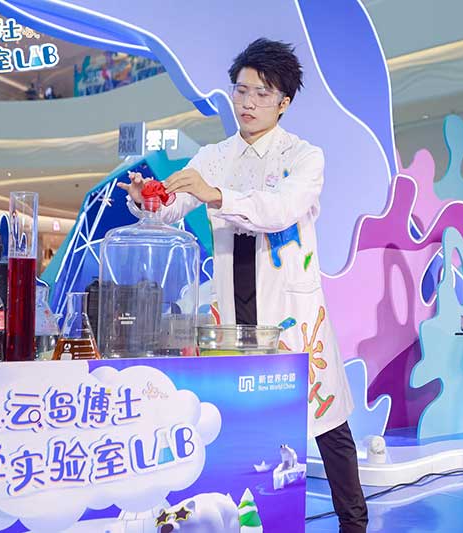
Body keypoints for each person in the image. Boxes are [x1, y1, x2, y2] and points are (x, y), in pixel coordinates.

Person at [120, 38, 367, 532]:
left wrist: (216, 195)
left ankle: (354, 523)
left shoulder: (304, 157)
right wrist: (150, 199)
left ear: (284, 102)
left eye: (261, 93)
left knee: (327, 425)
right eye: (241, 90)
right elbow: (173, 206)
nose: (248, 102)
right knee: (244, 423)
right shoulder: (214, 156)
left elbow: (278, 211)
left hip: (293, 316)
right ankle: (251, 520)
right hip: (233, 314)